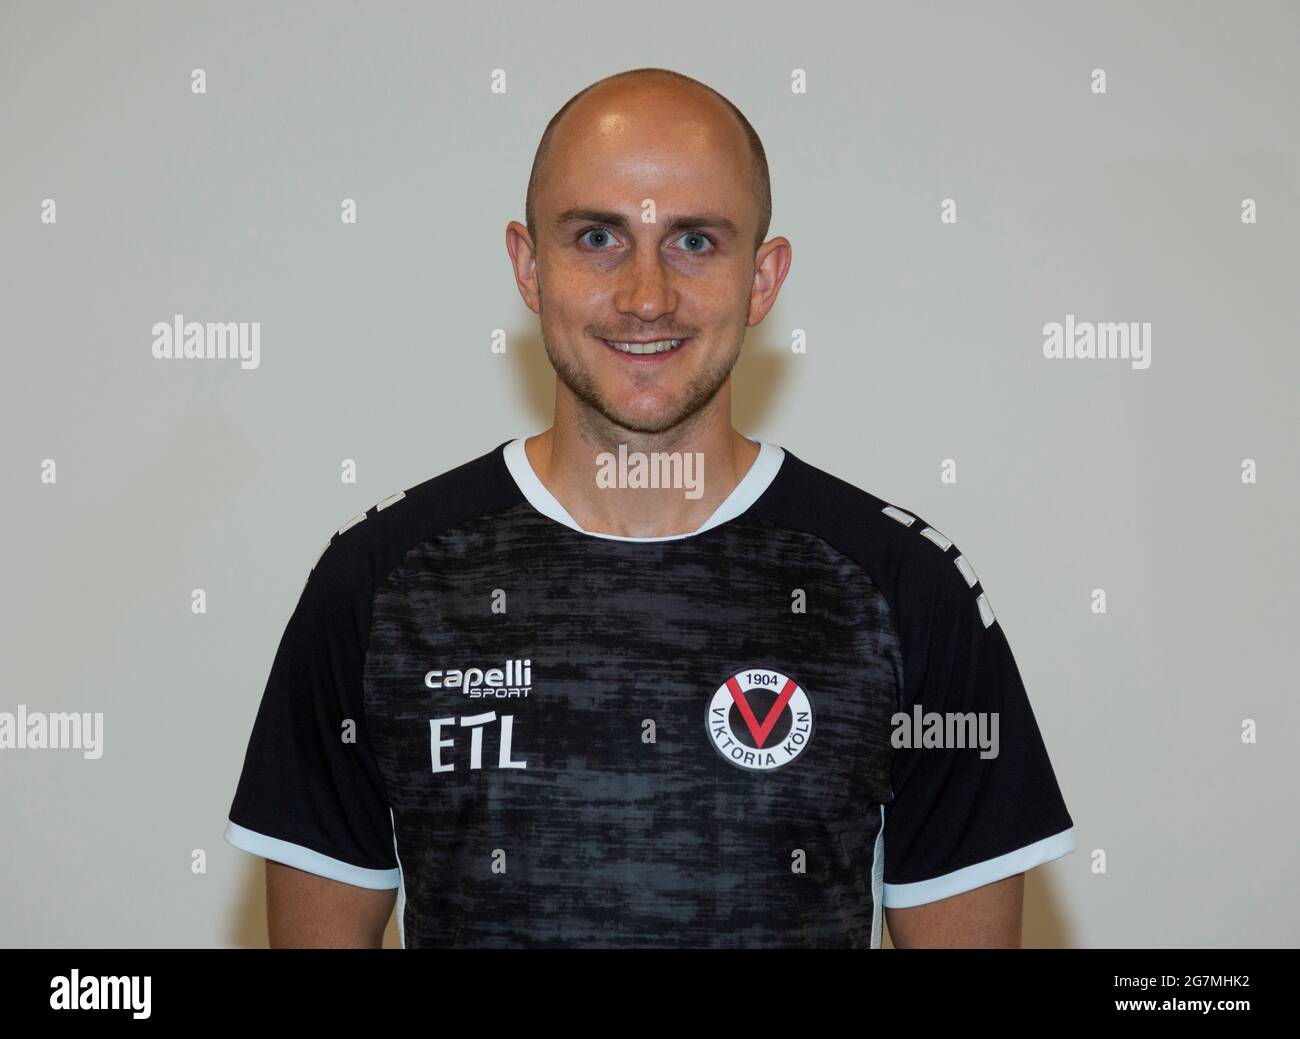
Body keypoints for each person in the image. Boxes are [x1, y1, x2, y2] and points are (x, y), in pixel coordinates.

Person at [224, 67, 1076, 948]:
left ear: (764, 277)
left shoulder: (907, 588)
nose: (644, 295)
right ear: (527, 265)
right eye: (597, 236)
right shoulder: (376, 582)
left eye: (695, 242)